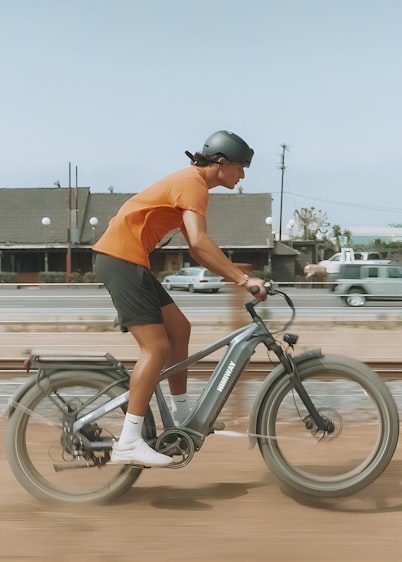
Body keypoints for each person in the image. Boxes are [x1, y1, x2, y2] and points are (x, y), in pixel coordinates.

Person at [92, 130, 267, 467]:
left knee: (179, 330)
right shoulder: (193, 184)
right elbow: (200, 243)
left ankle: (181, 413)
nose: (242, 175)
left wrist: (236, 278)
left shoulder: (193, 184)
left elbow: (197, 249)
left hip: (129, 260)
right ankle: (128, 442)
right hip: (121, 259)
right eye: (241, 167)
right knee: (156, 348)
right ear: (221, 163)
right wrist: (244, 279)